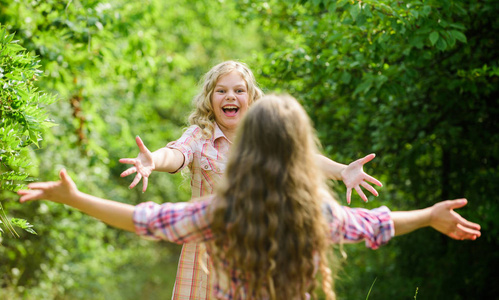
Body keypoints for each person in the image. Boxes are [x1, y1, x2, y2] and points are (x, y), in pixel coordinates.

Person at [19, 94, 481, 300]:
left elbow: (146, 218)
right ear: (301, 149)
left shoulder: (224, 213)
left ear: (246, 150)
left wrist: (75, 198)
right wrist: (429, 215)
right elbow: (376, 223)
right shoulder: (314, 213)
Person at [118, 61, 382, 299]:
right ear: (210, 99)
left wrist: (343, 170)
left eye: (238, 91)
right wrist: (154, 160)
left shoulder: (264, 137)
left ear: (251, 98)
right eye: (221, 91)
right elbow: (176, 154)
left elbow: (302, 158)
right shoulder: (200, 136)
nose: (230, 96)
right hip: (207, 247)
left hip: (257, 245)